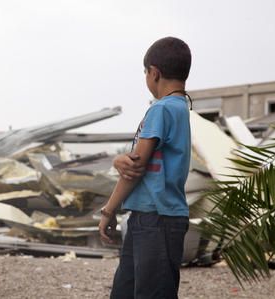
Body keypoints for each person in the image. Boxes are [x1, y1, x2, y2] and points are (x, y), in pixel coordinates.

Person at [99, 37, 192, 299]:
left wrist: (108, 211)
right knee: (124, 291)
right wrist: (121, 159)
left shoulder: (161, 109)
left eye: (145, 73)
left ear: (154, 72)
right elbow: (140, 160)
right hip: (150, 218)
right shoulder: (180, 108)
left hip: (157, 220)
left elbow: (134, 168)